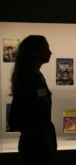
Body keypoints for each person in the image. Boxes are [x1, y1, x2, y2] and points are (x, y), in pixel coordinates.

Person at [8, 35, 57, 165]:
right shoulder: (27, 79)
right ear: (34, 52)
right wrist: (36, 138)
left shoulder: (37, 76)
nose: (50, 53)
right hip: (36, 148)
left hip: (42, 142)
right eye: (46, 49)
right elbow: (16, 118)